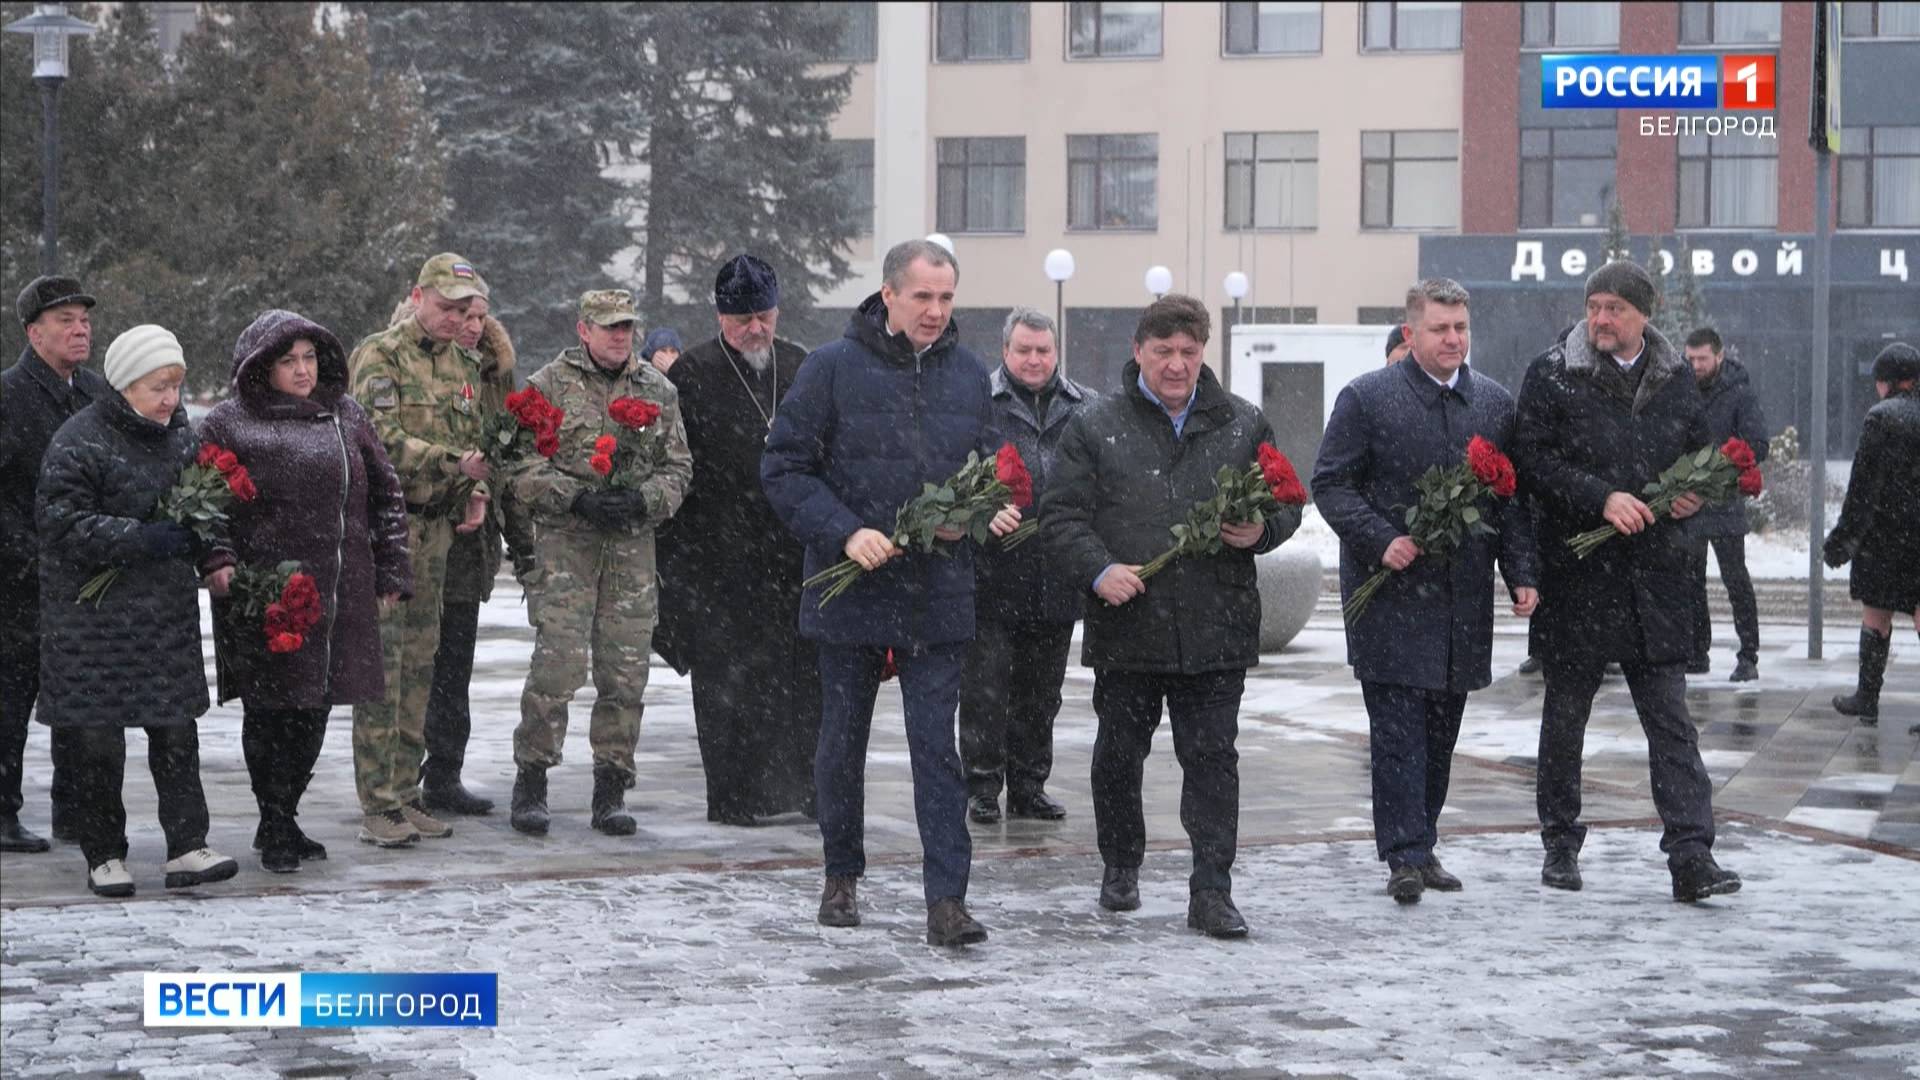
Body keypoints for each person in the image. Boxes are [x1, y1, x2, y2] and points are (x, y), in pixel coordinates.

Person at [762, 238, 1020, 948]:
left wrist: (981, 510)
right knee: (841, 743)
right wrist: (845, 533)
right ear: (888, 295)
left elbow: (987, 469)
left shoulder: (970, 376)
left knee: (937, 750)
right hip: (852, 593)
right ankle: (841, 874)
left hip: (936, 595)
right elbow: (783, 468)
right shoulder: (831, 369)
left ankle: (947, 901)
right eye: (922, 297)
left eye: (946, 298)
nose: (935, 312)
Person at [1047, 294, 1303, 938]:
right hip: (1128, 624)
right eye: (1163, 352)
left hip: (1216, 624)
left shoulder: (1241, 423)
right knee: (1118, 756)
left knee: (1213, 759)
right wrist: (1099, 569)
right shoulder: (1096, 423)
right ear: (1139, 352)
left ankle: (1212, 890)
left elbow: (1289, 501)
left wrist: (1262, 530)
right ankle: (1121, 864)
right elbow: (1060, 516)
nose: (1177, 364)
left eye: (1189, 352)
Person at [1510, 260, 1741, 904]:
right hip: (1578, 576)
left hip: (1655, 581)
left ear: (1645, 315)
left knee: (1670, 722)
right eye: (1594, 305)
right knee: (1566, 717)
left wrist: (1692, 499)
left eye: (1615, 307)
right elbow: (1531, 461)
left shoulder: (1674, 382)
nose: (1601, 319)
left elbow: (1698, 457)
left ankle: (1692, 855)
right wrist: (1600, 497)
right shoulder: (1553, 374)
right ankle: (1560, 841)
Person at [1314, 280, 1538, 904]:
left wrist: (1522, 572)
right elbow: (1331, 484)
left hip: (1461, 602)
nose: (1453, 339)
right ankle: (1404, 854)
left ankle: (1423, 840)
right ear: (1411, 333)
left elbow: (1509, 499)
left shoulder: (1492, 403)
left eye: (1461, 328)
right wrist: (1380, 538)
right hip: (1389, 597)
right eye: (1440, 329)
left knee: (1441, 732)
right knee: (1397, 733)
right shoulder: (1367, 398)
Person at [198, 311, 413, 873]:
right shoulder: (228, 423)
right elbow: (204, 502)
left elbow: (387, 493)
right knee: (272, 709)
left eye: (310, 358)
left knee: (314, 706)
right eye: (288, 360)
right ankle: (272, 820)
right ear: (261, 368)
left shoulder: (346, 414)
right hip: (267, 592)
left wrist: (392, 569)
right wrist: (219, 560)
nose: (302, 370)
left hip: (339, 590)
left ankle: (286, 814)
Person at [35, 325, 239, 897]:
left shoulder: (181, 439)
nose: (171, 399)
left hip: (162, 622)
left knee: (176, 735)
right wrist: (140, 538)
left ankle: (187, 847)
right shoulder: (79, 440)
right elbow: (61, 523)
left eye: (176, 386)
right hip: (90, 625)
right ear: (125, 385)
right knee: (98, 744)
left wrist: (214, 554)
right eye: (158, 387)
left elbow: (206, 511)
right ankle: (105, 854)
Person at [505, 289, 691, 836]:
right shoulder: (547, 387)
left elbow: (679, 469)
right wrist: (573, 496)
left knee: (625, 671)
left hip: (630, 550)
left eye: (627, 326)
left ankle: (611, 787)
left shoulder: (658, 391)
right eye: (609, 326)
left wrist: (644, 500)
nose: (620, 335)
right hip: (567, 545)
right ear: (583, 330)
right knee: (557, 666)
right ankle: (532, 777)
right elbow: (517, 467)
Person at [656, 255, 820, 826]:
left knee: (801, 681)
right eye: (742, 318)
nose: (755, 328)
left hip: (793, 558)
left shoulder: (801, 367)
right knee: (730, 684)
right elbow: (676, 469)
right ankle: (734, 796)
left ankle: (805, 790)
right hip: (719, 560)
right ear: (721, 316)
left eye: (764, 316)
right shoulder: (692, 374)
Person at [344, 253, 494, 848]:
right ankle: (377, 804)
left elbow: (472, 438)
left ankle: (407, 792)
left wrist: (475, 486)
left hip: (438, 530)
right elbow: (377, 439)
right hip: (388, 528)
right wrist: (450, 463)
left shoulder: (464, 364)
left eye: (467, 311)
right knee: (383, 668)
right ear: (417, 296)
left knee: (421, 666)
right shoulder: (380, 355)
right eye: (449, 308)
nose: (459, 320)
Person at [961, 307, 1093, 825]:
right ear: (1005, 351)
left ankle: (1030, 785)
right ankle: (982, 785)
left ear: (1056, 352)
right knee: (985, 689)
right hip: (992, 574)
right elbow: (955, 473)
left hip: (1056, 575)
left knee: (1043, 693)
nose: (1034, 359)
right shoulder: (978, 405)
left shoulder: (1086, 408)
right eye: (1024, 350)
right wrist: (979, 510)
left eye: (1043, 350)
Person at [415, 291, 534, 816]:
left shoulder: (495, 376)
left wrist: (522, 542)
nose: (470, 324)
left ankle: (444, 772)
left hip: (469, 546)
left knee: (454, 662)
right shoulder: (408, 363)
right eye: (462, 314)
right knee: (411, 662)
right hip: (418, 530)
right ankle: (394, 778)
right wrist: (467, 490)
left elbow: (506, 457)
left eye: (480, 316)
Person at [1, 276, 104, 853]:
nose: (80, 328)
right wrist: (30, 554)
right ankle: (2, 812)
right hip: (18, 583)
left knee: (80, 698)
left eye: (84, 318)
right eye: (65, 319)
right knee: (10, 701)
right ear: (33, 332)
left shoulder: (94, 393)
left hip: (85, 580)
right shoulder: (9, 395)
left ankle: (76, 809)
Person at [1823, 342, 1920, 728]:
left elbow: (1863, 488)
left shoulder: (1881, 418)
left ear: (1888, 382)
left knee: (1876, 615)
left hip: (1885, 536)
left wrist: (1842, 540)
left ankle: (1867, 698)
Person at [1683, 327, 1768, 682]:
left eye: (1702, 359)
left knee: (1736, 580)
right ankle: (1697, 652)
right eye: (1690, 359)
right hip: (1689, 499)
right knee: (1690, 580)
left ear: (1718, 356)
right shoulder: (1682, 388)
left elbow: (1757, 444)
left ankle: (1748, 654)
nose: (1696, 366)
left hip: (1725, 500)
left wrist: (1723, 470)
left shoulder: (1739, 393)